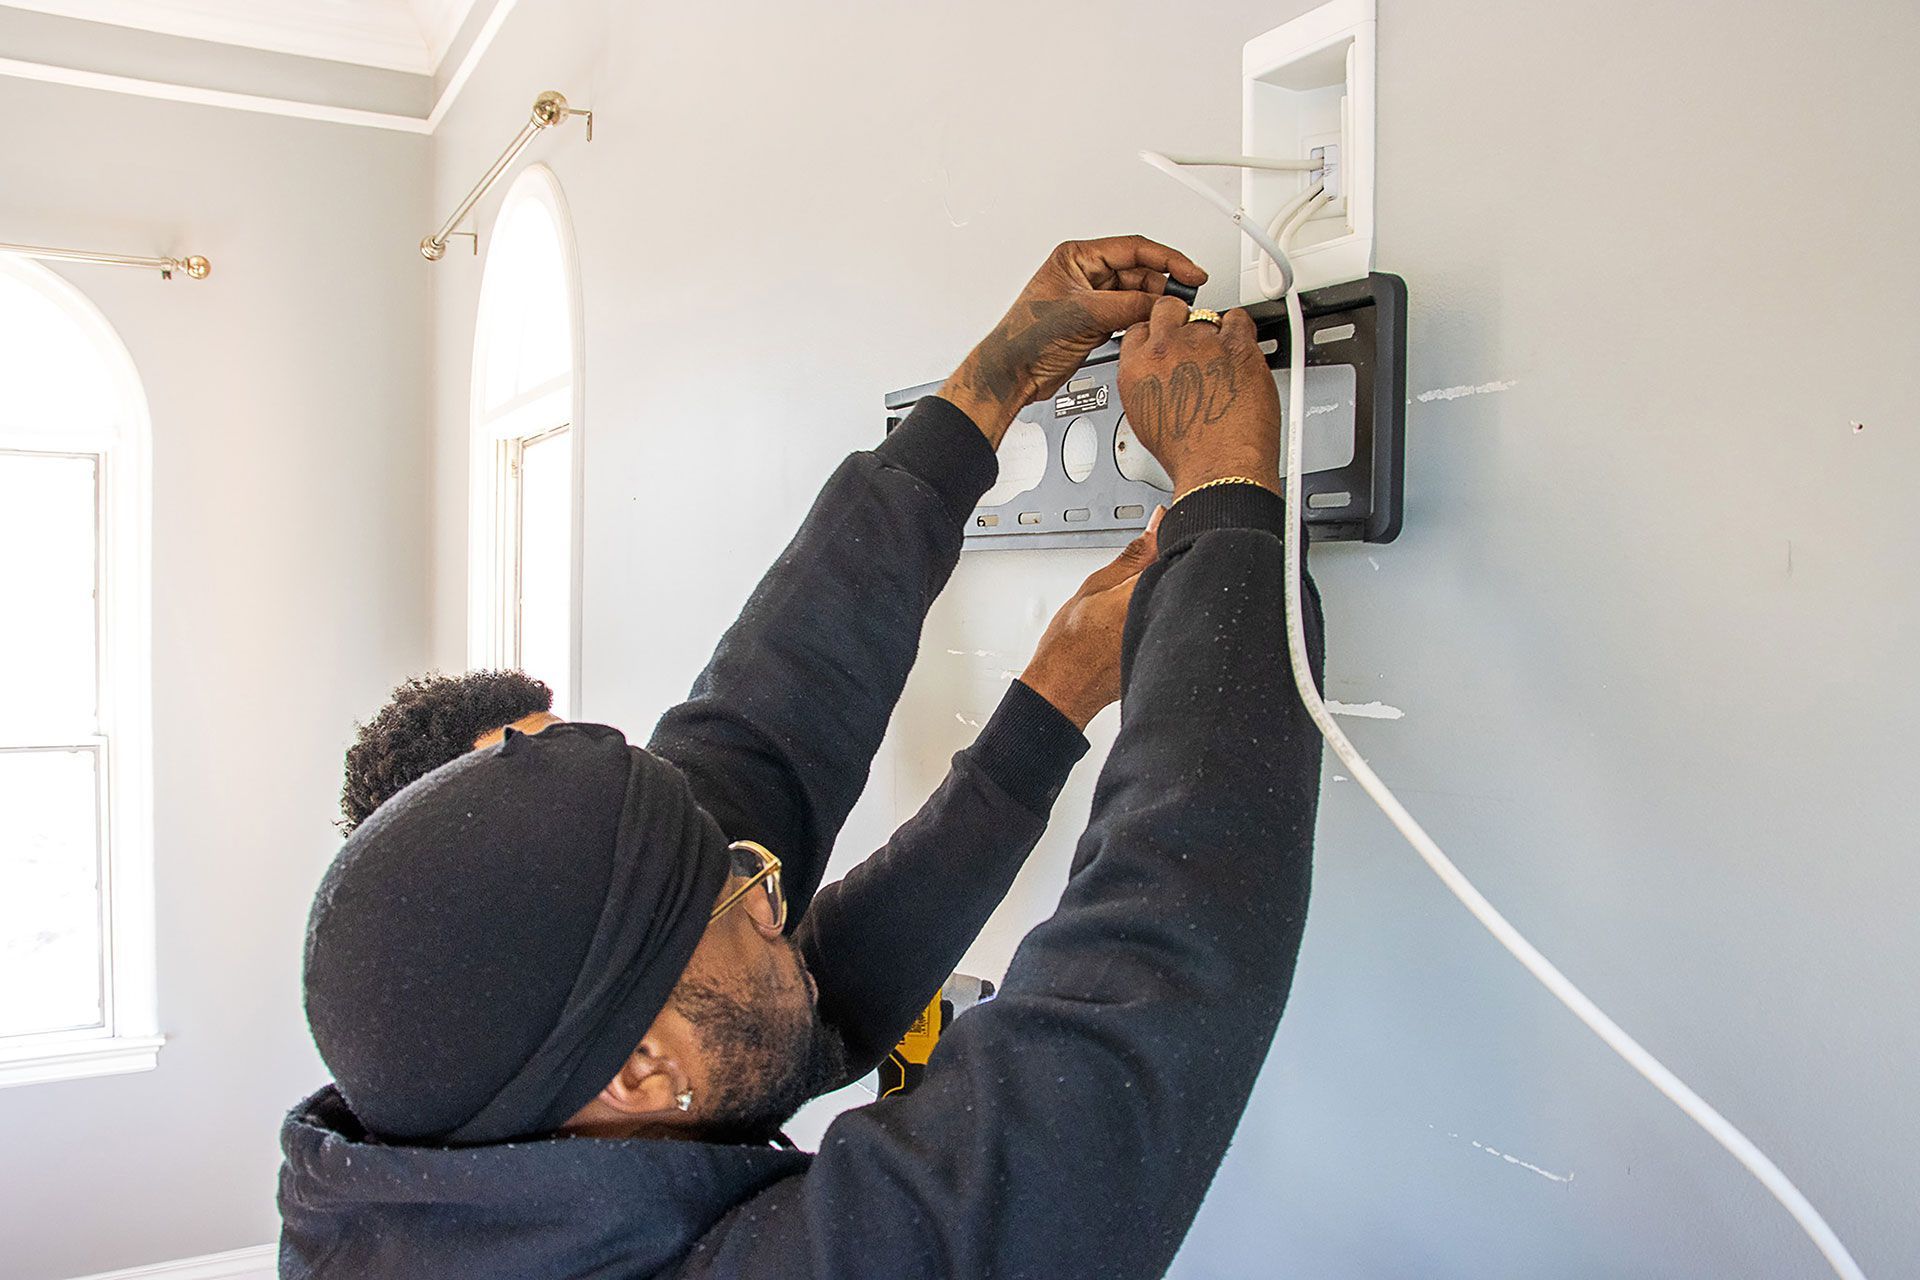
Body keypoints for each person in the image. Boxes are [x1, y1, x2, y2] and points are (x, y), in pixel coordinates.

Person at [279, 236, 1325, 1279]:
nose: (775, 889)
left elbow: (758, 742)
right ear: (642, 1071)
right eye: (748, 897)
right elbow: (1134, 1014)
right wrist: (1226, 499)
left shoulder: (486, 1114)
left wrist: (998, 382)